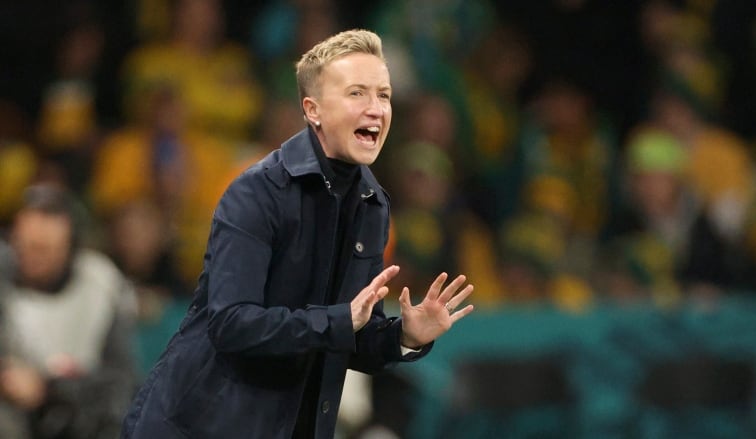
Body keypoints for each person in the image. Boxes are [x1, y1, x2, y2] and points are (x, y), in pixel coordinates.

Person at [121, 29, 474, 439]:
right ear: (313, 110)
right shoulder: (255, 192)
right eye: (357, 94)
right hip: (199, 427)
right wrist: (339, 321)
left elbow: (351, 334)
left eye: (384, 94)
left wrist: (403, 336)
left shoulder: (372, 204)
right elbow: (233, 324)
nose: (376, 109)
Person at [0, 184, 138, 439]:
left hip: (81, 418)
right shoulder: (3, 276)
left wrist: (49, 389)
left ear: (70, 249)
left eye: (43, 250)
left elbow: (123, 382)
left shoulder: (101, 284)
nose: (30, 258)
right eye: (24, 246)